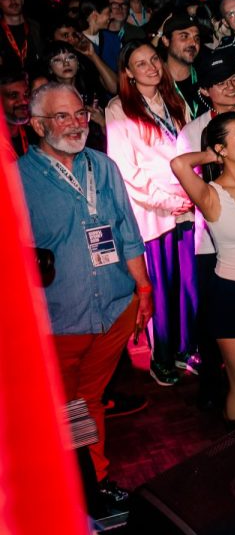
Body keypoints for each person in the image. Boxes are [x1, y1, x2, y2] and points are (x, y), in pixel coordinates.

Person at [19, 83, 154, 514]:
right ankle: (68, 487)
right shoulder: (17, 179)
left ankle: (94, 480)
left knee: (88, 402)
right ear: (38, 125)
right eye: (63, 117)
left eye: (80, 113)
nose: (77, 123)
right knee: (63, 409)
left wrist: (144, 291)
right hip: (58, 320)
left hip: (115, 310)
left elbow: (127, 233)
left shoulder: (104, 166)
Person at [171, 112, 235, 425]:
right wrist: (209, 154)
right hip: (230, 296)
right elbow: (178, 165)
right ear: (222, 148)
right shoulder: (211, 193)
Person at [106, 39, 196, 386]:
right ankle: (162, 357)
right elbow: (126, 171)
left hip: (186, 206)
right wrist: (168, 200)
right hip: (152, 212)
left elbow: (189, 148)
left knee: (188, 285)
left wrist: (191, 193)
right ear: (128, 72)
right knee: (161, 288)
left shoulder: (174, 100)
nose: (151, 67)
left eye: (154, 59)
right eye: (141, 63)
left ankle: (185, 349)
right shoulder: (119, 108)